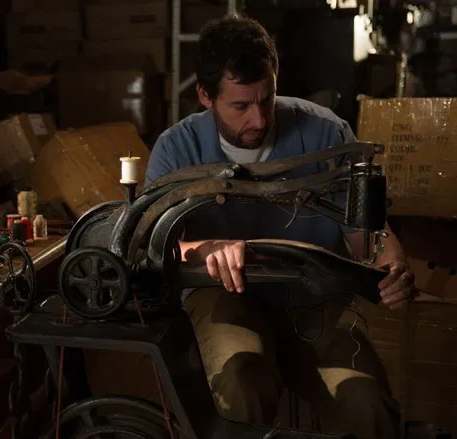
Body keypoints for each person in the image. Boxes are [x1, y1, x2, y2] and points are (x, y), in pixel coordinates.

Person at [145, 15, 415, 439]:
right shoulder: (176, 149)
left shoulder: (327, 133)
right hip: (226, 297)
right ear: (204, 96)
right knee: (241, 386)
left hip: (316, 297)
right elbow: (157, 243)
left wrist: (390, 265)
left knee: (368, 406)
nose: (258, 119)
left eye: (266, 99)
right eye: (240, 106)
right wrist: (208, 247)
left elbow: (368, 232)